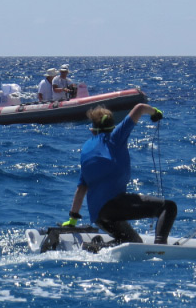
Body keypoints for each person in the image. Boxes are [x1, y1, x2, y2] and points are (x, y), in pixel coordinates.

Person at [62, 103, 177, 244]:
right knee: (168, 207)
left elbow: (81, 189)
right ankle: (161, 248)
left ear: (92, 130)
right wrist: (155, 112)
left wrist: (72, 220)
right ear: (113, 126)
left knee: (133, 242)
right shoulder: (116, 137)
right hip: (114, 206)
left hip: (99, 216)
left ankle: (97, 247)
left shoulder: (86, 149)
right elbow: (140, 108)